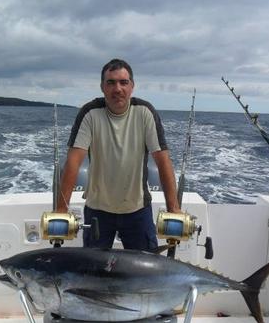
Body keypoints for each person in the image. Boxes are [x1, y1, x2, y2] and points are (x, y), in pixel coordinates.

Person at [55, 58, 181, 251]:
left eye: (123, 82)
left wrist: (174, 210)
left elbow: (163, 161)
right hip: (98, 210)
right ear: (102, 87)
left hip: (137, 209)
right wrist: (61, 211)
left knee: (146, 269)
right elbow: (73, 162)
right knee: (92, 271)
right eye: (111, 82)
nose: (117, 89)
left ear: (132, 86)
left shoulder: (145, 112)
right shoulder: (90, 113)